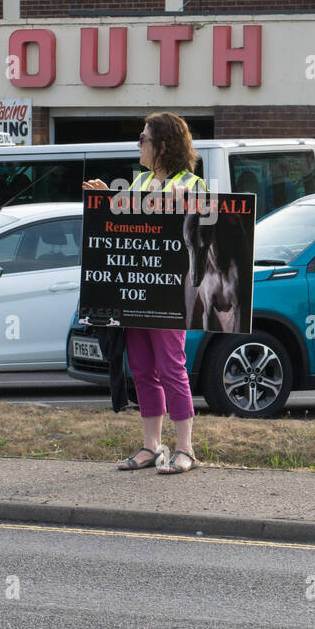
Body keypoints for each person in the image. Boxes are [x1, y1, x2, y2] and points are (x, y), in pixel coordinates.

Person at [82, 112, 206, 475]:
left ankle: (186, 448)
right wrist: (106, 201)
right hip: (136, 297)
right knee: (141, 369)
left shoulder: (192, 185)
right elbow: (123, 233)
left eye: (143, 138)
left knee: (172, 368)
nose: (138, 144)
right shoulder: (140, 184)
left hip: (170, 297)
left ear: (163, 145)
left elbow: (201, 240)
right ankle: (152, 446)